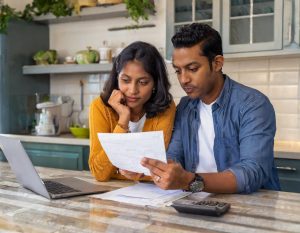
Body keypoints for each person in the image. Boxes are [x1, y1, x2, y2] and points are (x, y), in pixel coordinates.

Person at [141, 23, 281, 194]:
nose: (183, 79)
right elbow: (175, 157)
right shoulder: (185, 106)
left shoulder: (253, 104)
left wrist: (190, 180)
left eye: (192, 69)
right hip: (196, 200)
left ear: (217, 63)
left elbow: (252, 173)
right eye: (178, 71)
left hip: (249, 206)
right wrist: (153, 169)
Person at [89, 41, 176, 182]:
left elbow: (160, 169)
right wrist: (123, 120)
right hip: (111, 193)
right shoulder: (100, 107)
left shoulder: (165, 108)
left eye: (143, 82)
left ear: (155, 83)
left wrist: (139, 175)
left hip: (152, 194)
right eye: (125, 80)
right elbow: (99, 173)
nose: (132, 90)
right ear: (117, 78)